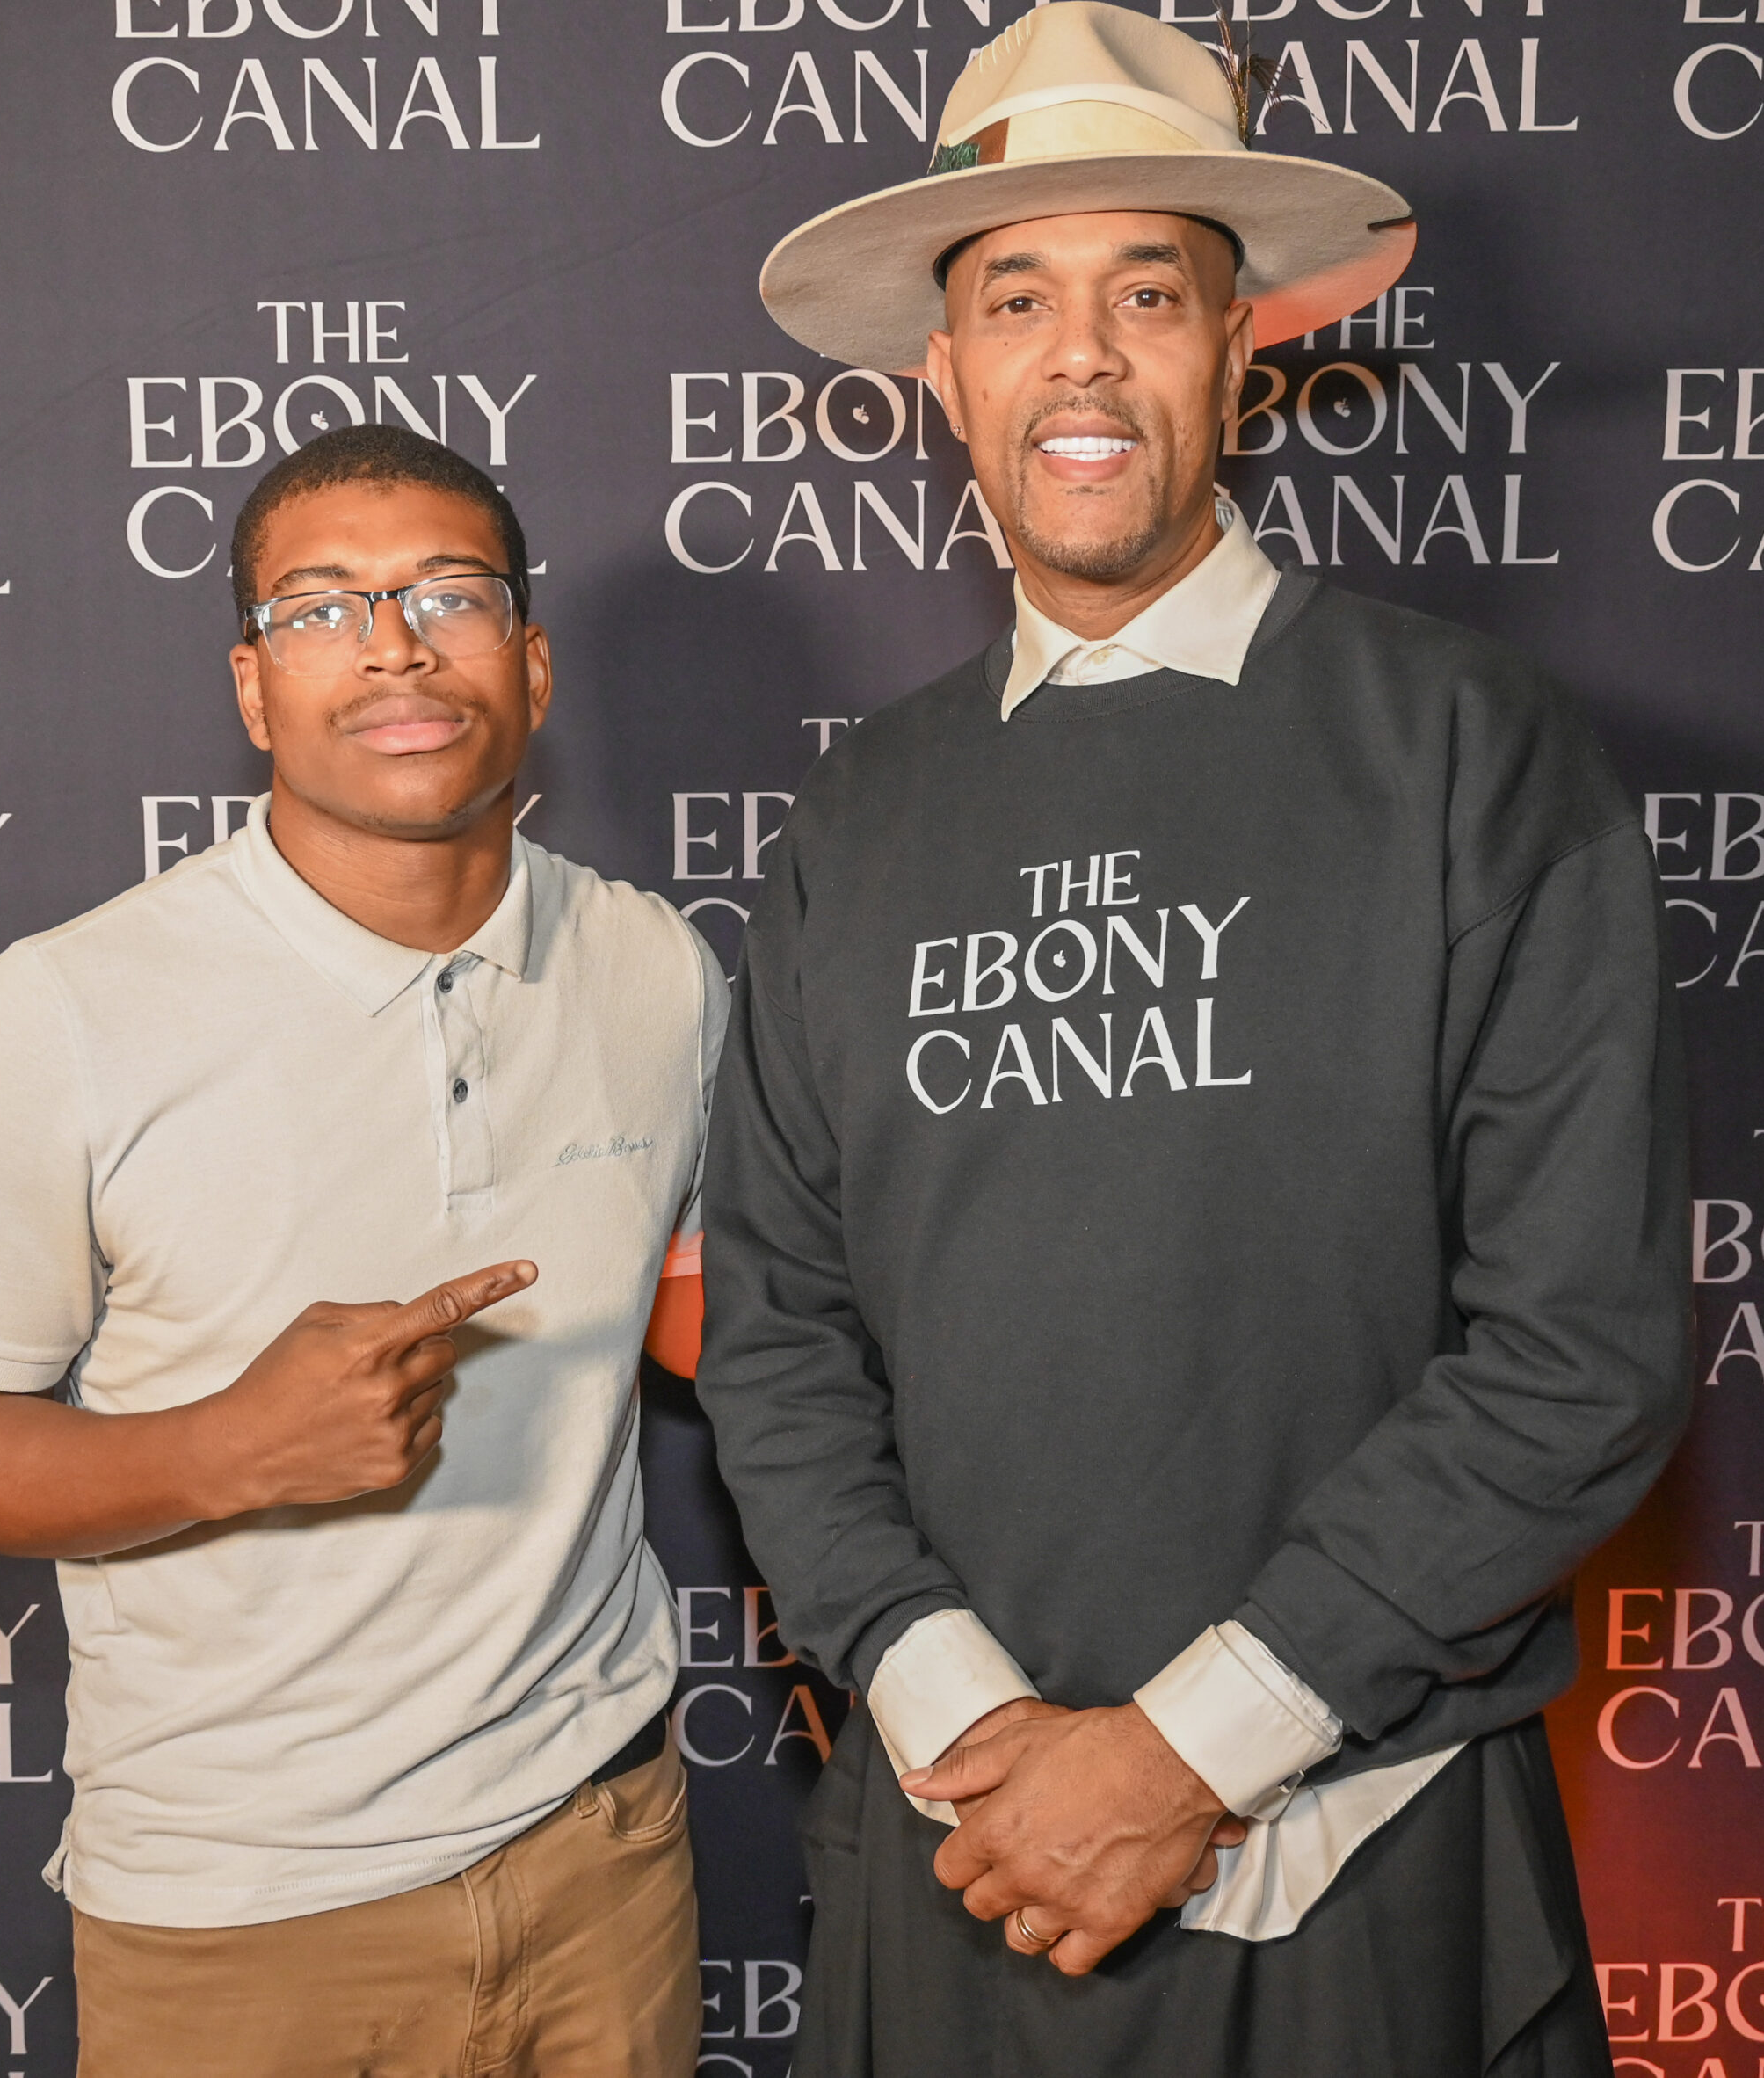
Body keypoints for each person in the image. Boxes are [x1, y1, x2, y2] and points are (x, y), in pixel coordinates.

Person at [694, 6, 1690, 2073]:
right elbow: (779, 1346)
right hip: (957, 1855)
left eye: (1145, 294)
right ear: (943, 371)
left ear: (1240, 350)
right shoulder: (853, 818)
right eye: (1015, 300)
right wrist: (972, 1725)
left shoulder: (1468, 751)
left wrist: (1184, 1753)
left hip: (1365, 1852)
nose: (1078, 356)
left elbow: (1573, 1352)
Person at [0, 424, 722, 2078]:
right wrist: (229, 1448)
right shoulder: (65, 1016)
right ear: (254, 690)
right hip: (244, 1913)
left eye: (448, 595)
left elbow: (710, 1318)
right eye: (321, 608)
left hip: (602, 1854)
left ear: (531, 662)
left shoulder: (654, 969)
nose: (393, 646)